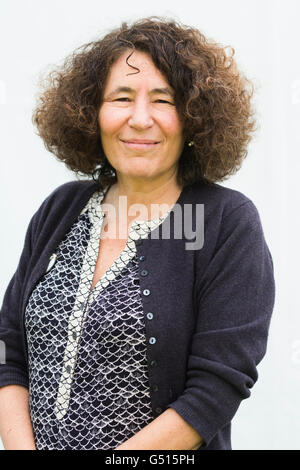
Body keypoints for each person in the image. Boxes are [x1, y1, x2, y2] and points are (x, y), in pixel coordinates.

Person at [0, 16, 275, 450]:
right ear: (92, 112)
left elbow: (215, 389)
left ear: (194, 118)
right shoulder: (60, 209)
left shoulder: (225, 223)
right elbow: (8, 349)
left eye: (163, 100)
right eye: (121, 97)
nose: (140, 119)